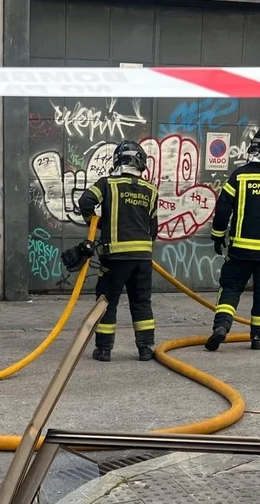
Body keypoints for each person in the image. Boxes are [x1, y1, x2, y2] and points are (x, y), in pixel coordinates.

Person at [204, 126, 260, 352]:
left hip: (240, 249)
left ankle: (222, 327)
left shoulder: (240, 175)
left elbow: (223, 207)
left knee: (231, 287)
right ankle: (258, 337)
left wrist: (217, 235)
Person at [76, 140, 160, 362]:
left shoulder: (107, 184)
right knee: (141, 302)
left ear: (117, 161)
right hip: (142, 258)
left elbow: (85, 201)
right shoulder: (151, 190)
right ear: (140, 163)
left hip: (114, 258)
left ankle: (104, 350)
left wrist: (95, 223)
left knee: (107, 300)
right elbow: (154, 229)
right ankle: (145, 349)